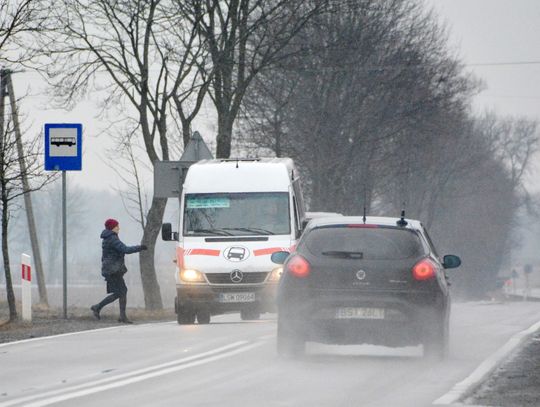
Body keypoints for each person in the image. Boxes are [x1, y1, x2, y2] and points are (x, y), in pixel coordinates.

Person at [91, 219, 147, 323]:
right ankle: (99, 307)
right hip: (113, 270)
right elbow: (125, 249)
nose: (119, 228)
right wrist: (140, 247)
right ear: (112, 227)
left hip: (112, 269)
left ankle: (118, 315)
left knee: (120, 292)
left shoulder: (108, 238)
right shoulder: (112, 239)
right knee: (121, 292)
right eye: (117, 226)